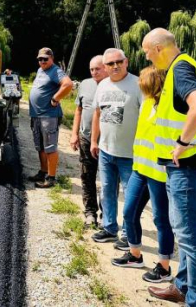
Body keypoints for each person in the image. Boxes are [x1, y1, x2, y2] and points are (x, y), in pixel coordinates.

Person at [142, 28, 196, 307]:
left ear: (158, 48)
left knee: (190, 236)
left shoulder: (181, 69)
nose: (147, 57)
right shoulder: (182, 67)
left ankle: (195, 300)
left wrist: (182, 143)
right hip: (189, 165)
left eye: (147, 51)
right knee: (187, 231)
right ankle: (183, 286)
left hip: (188, 166)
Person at [111, 66, 176, 285]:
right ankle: (135, 255)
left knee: (160, 219)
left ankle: (164, 266)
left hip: (159, 173)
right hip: (140, 168)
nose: (140, 84)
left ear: (153, 84)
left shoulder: (168, 107)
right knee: (129, 213)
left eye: (143, 82)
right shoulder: (146, 103)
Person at [90, 48, 142, 250]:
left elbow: (147, 117)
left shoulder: (137, 85)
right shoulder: (102, 85)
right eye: (110, 64)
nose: (115, 66)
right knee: (107, 191)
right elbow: (97, 114)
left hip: (130, 153)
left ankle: (129, 235)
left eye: (118, 62)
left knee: (130, 197)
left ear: (126, 62)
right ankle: (109, 227)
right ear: (105, 67)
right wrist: (94, 141)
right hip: (106, 150)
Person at [69, 55, 108, 228]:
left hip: (107, 141)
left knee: (108, 181)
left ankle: (107, 215)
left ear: (106, 68)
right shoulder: (85, 84)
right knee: (87, 176)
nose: (94, 72)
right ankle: (90, 212)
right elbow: (78, 110)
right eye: (91, 69)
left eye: (97, 69)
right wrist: (74, 133)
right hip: (86, 138)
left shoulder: (113, 85)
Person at [28, 47, 74, 188]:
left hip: (49, 116)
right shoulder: (41, 70)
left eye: (45, 59)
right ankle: (43, 171)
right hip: (37, 115)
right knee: (40, 146)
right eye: (40, 59)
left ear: (51, 58)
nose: (42, 61)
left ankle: (51, 178)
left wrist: (55, 98)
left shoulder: (55, 71)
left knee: (50, 147)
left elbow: (68, 84)